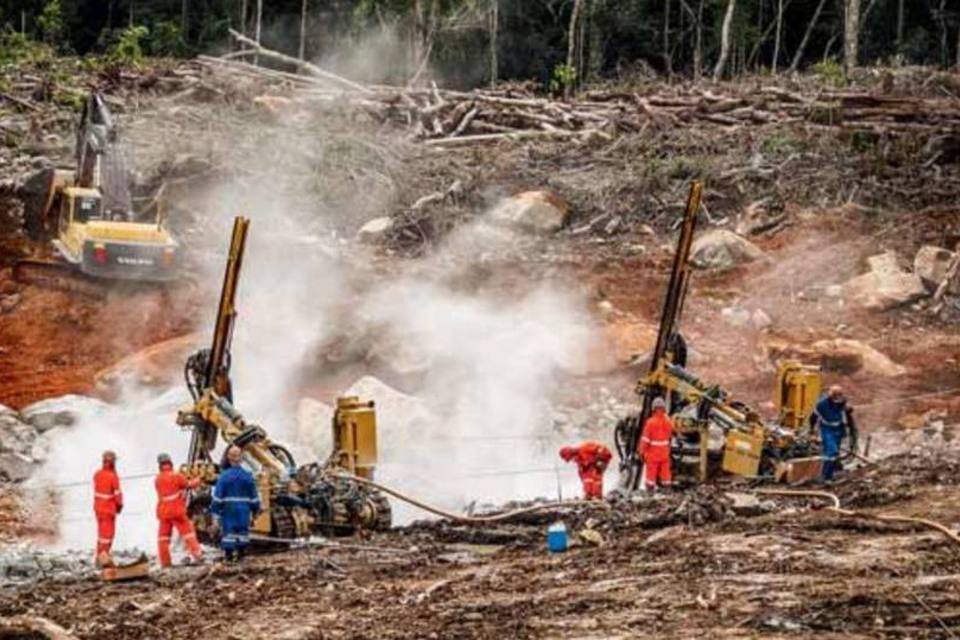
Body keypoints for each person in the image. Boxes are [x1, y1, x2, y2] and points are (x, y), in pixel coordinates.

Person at [210, 445, 261, 562]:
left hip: (229, 510)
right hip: (244, 510)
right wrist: (255, 510)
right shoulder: (248, 476)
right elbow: (254, 497)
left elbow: (217, 498)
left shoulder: (224, 477)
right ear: (241, 458)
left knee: (229, 532)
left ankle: (228, 556)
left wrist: (215, 513)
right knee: (243, 531)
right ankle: (241, 555)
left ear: (228, 458)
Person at [154, 453, 204, 568]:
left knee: (163, 538)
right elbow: (189, 485)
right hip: (177, 511)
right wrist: (199, 479)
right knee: (188, 533)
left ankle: (165, 562)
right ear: (170, 462)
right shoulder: (177, 476)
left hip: (163, 512)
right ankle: (197, 554)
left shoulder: (157, 479)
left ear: (160, 465)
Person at [811, 385, 856, 483]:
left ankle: (830, 475)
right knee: (831, 451)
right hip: (827, 429)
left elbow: (847, 411)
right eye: (836, 398)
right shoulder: (821, 404)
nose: (837, 401)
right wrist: (811, 431)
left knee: (835, 453)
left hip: (838, 428)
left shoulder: (842, 401)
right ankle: (825, 476)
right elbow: (813, 417)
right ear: (831, 396)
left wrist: (849, 413)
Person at [92, 450, 123, 566]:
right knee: (107, 536)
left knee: (101, 536)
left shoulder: (97, 474)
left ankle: (99, 557)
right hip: (108, 510)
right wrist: (119, 506)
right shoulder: (112, 476)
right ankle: (103, 559)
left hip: (98, 509)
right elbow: (117, 494)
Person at [640, 397, 674, 491]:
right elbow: (670, 434)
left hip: (653, 453)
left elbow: (645, 439)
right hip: (664, 452)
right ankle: (667, 489)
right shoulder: (668, 421)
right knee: (665, 472)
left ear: (653, 408)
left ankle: (649, 490)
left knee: (651, 472)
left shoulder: (650, 422)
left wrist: (642, 451)